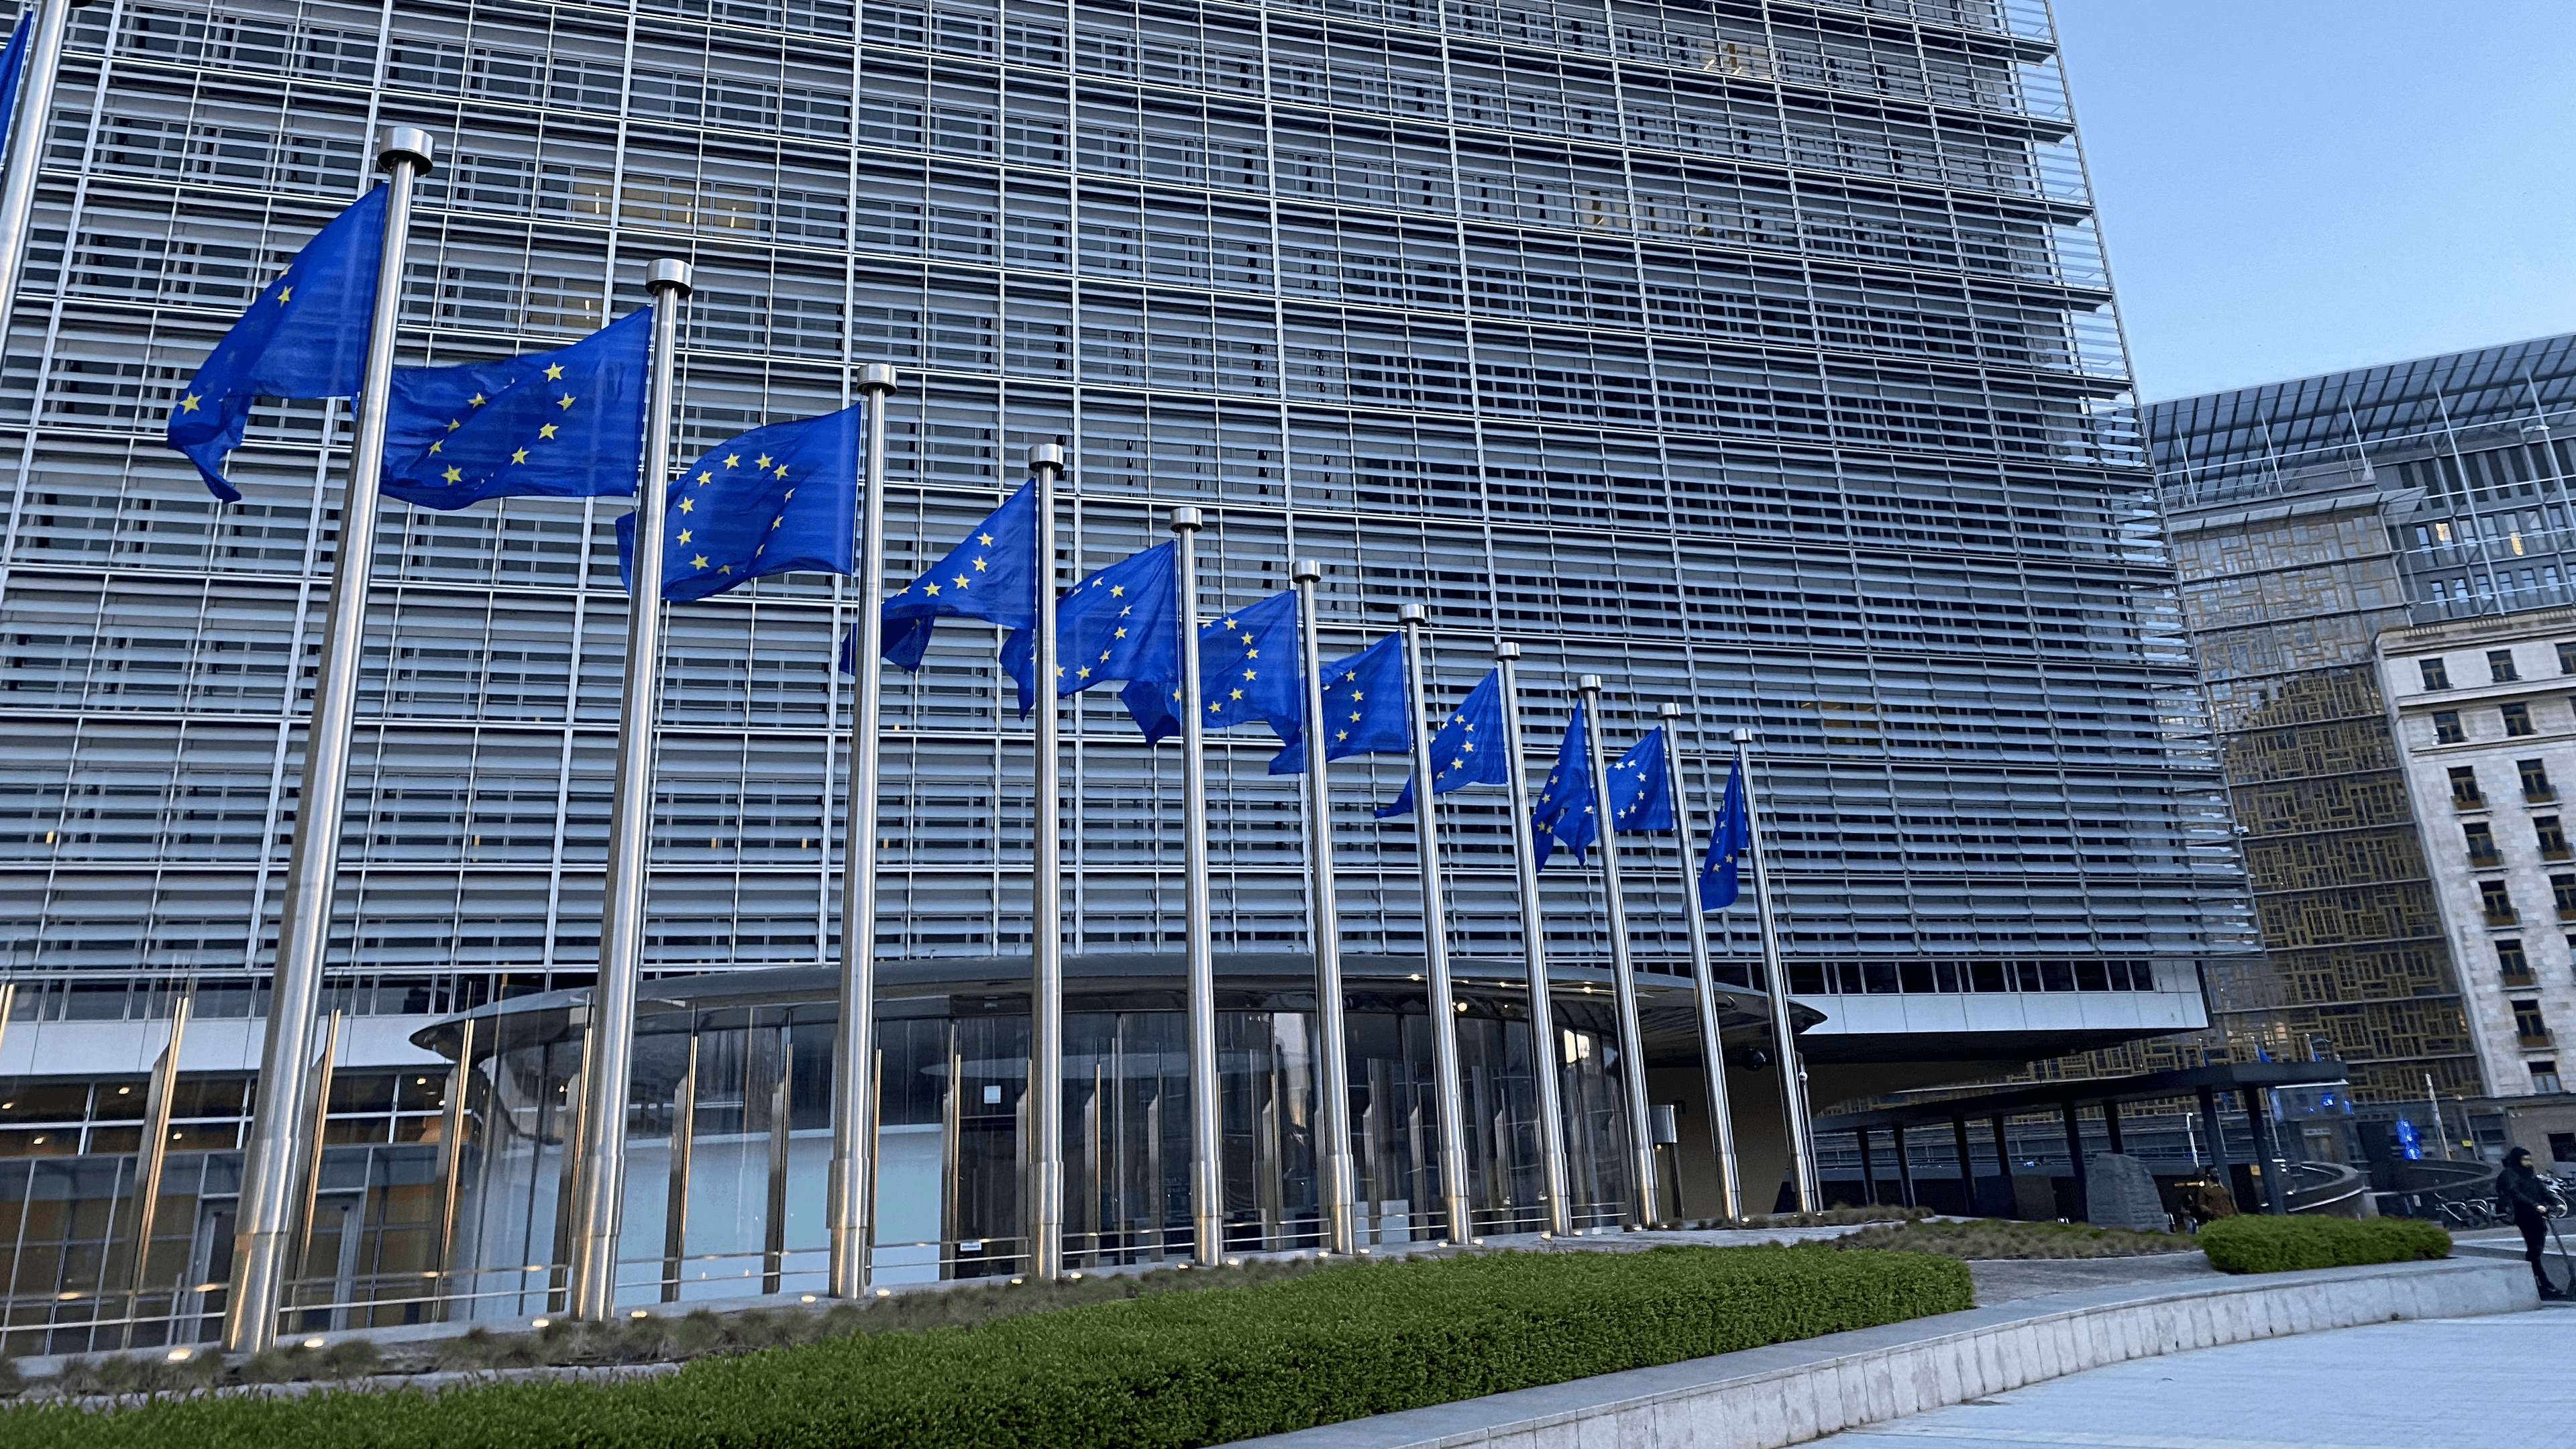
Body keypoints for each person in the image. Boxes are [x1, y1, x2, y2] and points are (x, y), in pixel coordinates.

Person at [2497, 1146, 2565, 1299]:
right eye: (2524, 1160)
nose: (2528, 1163)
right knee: (2534, 1247)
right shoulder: (2510, 1174)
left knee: (2538, 1244)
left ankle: (2538, 1273)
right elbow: (2515, 1193)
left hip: (2538, 1214)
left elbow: (2542, 1189)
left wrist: (2556, 1202)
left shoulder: (2530, 1174)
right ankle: (2540, 1279)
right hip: (2524, 1214)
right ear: (2517, 1160)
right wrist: (2535, 1205)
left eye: (2529, 1159)